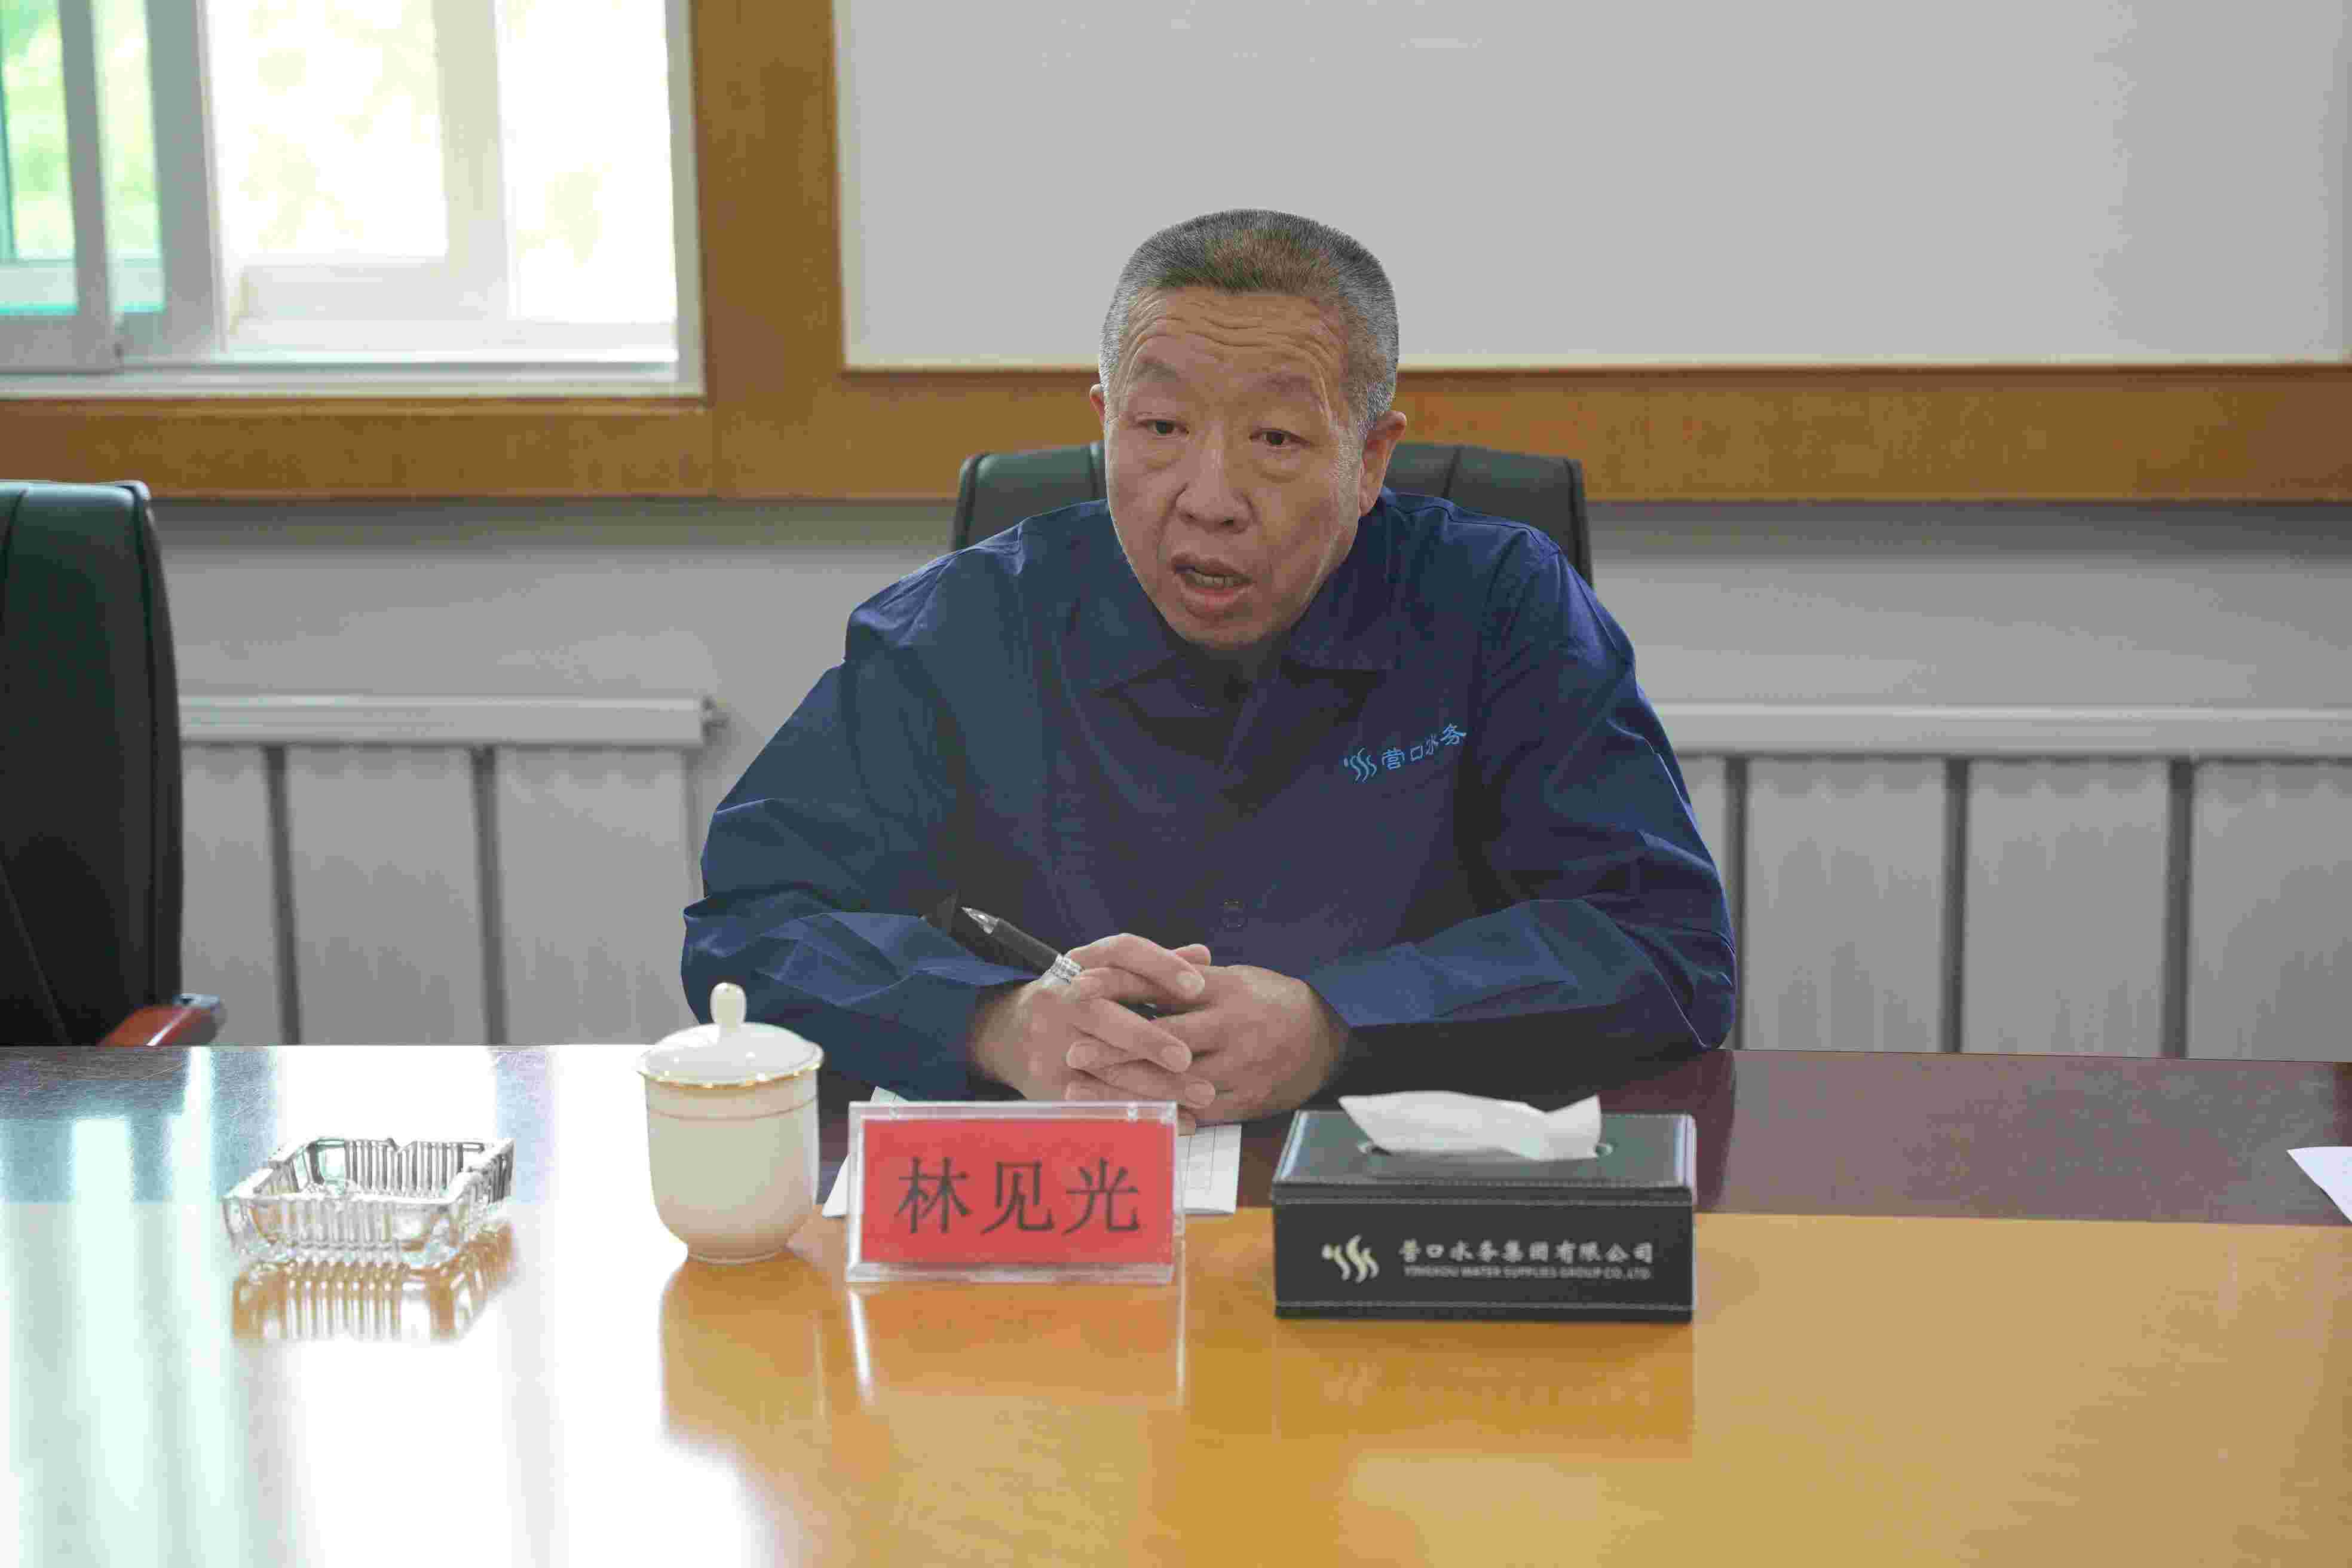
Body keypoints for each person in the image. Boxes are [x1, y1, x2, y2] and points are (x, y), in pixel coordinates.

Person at [683, 210, 1734, 1128]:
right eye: (1160, 428)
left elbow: (1663, 944)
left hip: (1390, 1187)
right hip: (1064, 1207)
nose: (1209, 498)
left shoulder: (1499, 607)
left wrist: (1337, 1025)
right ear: (1104, 425)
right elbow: (752, 925)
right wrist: (994, 1022)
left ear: (1371, 459)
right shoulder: (959, 629)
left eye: (1276, 438)